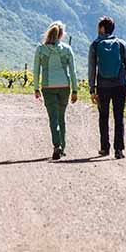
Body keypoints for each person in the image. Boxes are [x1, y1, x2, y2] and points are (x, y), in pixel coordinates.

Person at [88, 16, 126, 159]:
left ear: (102, 29)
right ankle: (119, 150)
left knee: (103, 117)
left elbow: (92, 69)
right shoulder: (121, 44)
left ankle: (104, 148)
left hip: (103, 86)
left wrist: (92, 89)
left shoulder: (95, 45)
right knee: (119, 117)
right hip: (120, 85)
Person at [32, 21, 78, 160]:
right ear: (61, 35)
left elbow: (36, 71)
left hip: (48, 87)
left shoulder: (40, 49)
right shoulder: (67, 49)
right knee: (61, 117)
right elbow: (73, 71)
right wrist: (75, 90)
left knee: (53, 118)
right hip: (64, 86)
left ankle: (57, 145)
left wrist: (36, 88)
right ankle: (62, 147)